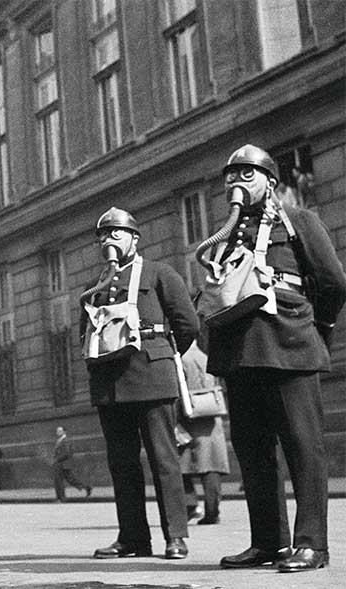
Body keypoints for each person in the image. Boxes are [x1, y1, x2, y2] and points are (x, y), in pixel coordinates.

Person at [204, 145, 346, 572]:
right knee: (253, 449)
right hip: (240, 352)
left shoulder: (299, 221)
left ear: (269, 180)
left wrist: (317, 329)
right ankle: (268, 542)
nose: (236, 183)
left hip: (289, 342)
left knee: (303, 446)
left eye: (247, 174)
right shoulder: (225, 233)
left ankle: (311, 545)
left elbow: (333, 281)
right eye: (231, 176)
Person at [80, 207, 198, 560]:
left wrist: (161, 356)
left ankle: (175, 536)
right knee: (122, 463)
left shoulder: (160, 274)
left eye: (115, 233)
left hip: (151, 376)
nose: (108, 241)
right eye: (103, 235)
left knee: (164, 459)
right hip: (110, 383)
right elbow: (83, 332)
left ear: (134, 238)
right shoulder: (94, 286)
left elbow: (188, 325)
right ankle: (132, 537)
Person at [176, 339, 229, 525]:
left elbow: (176, 392)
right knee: (211, 466)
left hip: (188, 417)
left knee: (181, 466)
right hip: (212, 418)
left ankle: (190, 506)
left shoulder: (180, 360)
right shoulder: (206, 357)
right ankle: (212, 511)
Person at [53, 426, 92, 501]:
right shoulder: (59, 440)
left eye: (60, 431)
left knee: (59, 481)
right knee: (71, 480)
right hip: (61, 464)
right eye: (57, 431)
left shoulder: (65, 440)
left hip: (63, 464)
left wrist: (57, 460)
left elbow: (67, 453)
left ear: (64, 432)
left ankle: (61, 498)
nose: (58, 432)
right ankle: (87, 487)